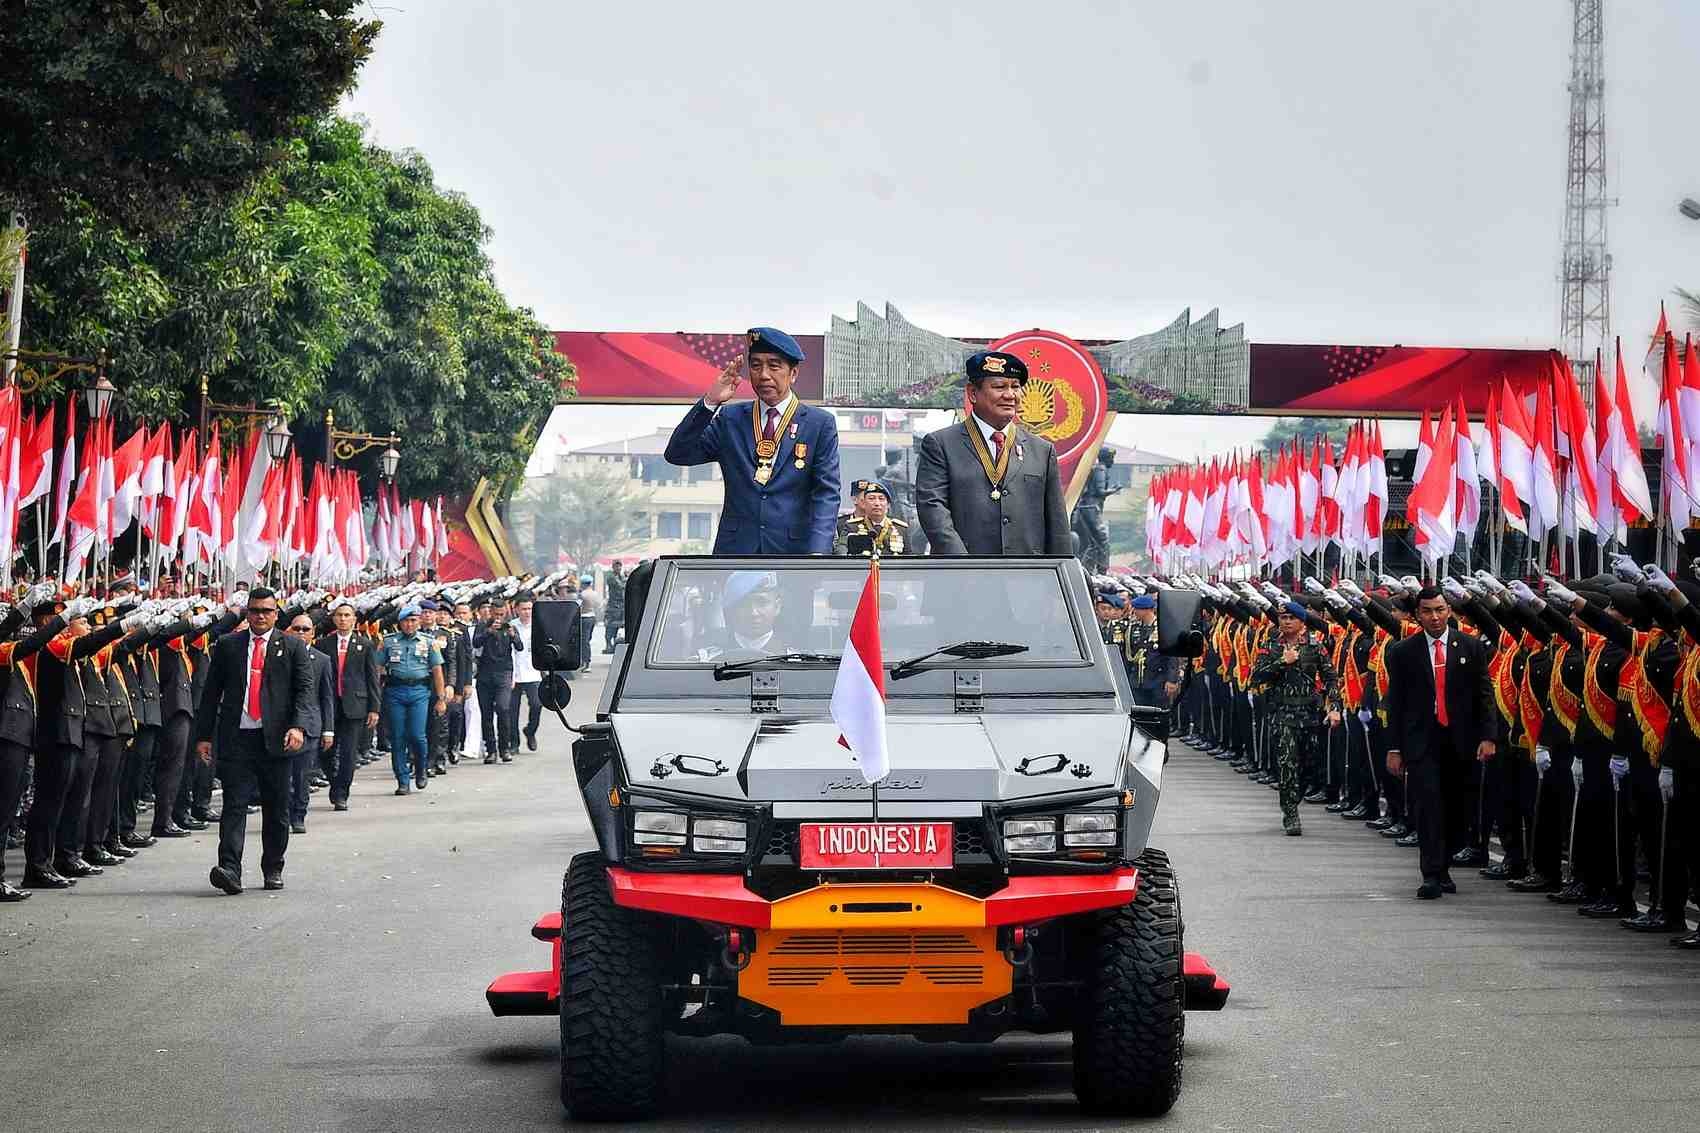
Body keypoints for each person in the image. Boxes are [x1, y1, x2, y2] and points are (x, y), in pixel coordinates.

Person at [663, 326, 841, 553]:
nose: (764, 375)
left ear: (793, 373)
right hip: (736, 552)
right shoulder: (731, 418)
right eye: (756, 366)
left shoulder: (819, 423)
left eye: (774, 366)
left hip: (794, 554)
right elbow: (677, 454)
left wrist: (818, 553)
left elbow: (826, 493)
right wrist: (710, 402)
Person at [193, 588, 316, 895]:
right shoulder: (228, 645)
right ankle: (230, 869)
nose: (260, 616)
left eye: (267, 611)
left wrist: (298, 727)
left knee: (277, 808)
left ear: (276, 614)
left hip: (276, 740)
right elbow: (211, 693)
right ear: (247, 613)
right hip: (238, 738)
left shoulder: (292, 646)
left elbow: (304, 691)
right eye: (255, 610)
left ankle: (273, 867)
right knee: (234, 805)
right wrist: (204, 736)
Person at [1383, 586, 1496, 900]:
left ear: (1449, 611)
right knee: (1428, 806)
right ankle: (1431, 874)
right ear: (1417, 615)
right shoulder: (1403, 651)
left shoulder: (1471, 646)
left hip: (1461, 741)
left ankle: (1444, 864)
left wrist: (1488, 736)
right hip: (1422, 742)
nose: (1434, 617)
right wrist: (1394, 748)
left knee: (1457, 808)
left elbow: (1484, 695)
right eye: (1427, 611)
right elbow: (1396, 703)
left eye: (1440, 610)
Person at [914, 350, 1071, 556]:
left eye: (1015, 387)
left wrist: (1061, 566)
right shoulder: (941, 445)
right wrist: (963, 564)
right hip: (963, 571)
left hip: (1027, 572)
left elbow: (1058, 524)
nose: (1010, 395)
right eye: (999, 387)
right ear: (973, 393)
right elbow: (932, 508)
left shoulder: (1042, 450)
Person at [1250, 601, 1342, 836]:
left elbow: (1331, 678)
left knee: (1310, 765)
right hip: (1282, 714)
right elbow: (1256, 676)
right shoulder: (1270, 645)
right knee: (1287, 764)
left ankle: (1293, 797)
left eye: (1292, 618)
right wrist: (1283, 661)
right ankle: (1291, 813)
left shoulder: (1315, 645)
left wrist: (1335, 707)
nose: (1287, 621)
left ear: (1302, 622)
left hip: (1310, 714)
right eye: (1283, 618)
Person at [378, 603, 448, 794]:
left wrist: (441, 698)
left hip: (419, 692)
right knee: (398, 736)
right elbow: (377, 669)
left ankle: (421, 768)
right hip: (395, 691)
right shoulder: (389, 642)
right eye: (405, 621)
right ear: (399, 623)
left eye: (413, 620)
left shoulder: (429, 642)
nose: (409, 624)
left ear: (418, 621)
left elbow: (437, 671)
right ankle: (402, 780)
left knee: (417, 735)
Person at [317, 601, 380, 810]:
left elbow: (372, 678)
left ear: (354, 619)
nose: (343, 619)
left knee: (348, 753)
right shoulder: (323, 644)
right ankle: (334, 783)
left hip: (355, 706)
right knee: (326, 751)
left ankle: (341, 793)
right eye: (339, 615)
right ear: (334, 619)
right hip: (330, 705)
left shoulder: (365, 644)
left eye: (347, 615)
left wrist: (374, 708)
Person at [284, 613, 336, 835]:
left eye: (305, 629)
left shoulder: (322, 660)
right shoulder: (278, 655)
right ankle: (282, 815)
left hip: (310, 726)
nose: (301, 633)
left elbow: (326, 697)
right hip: (281, 724)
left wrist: (328, 730)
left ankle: (298, 815)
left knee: (301, 775)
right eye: (297, 629)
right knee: (282, 776)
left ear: (313, 633)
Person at [694, 572, 790, 660]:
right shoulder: (706, 659)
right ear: (731, 610)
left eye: (762, 603)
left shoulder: (793, 659)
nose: (753, 613)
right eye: (743, 604)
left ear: (777, 607)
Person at [473, 599, 518, 763]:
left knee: (503, 708)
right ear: (490, 612)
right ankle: (491, 750)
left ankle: (505, 747)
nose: (499, 618)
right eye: (496, 614)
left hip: (503, 673)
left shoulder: (510, 626)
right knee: (486, 714)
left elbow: (520, 647)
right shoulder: (482, 626)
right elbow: (475, 643)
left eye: (501, 614)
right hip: (485, 674)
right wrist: (489, 631)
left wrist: (513, 636)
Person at [1123, 594, 1181, 709]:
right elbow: (1129, 655)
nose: (1134, 612)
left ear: (1146, 610)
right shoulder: (1134, 628)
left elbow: (1172, 656)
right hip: (1138, 681)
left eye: (1137, 609)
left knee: (1158, 712)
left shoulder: (1163, 627)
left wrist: (1172, 679)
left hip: (1158, 680)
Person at [834, 481, 913, 557]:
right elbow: (841, 552)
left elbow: (909, 557)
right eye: (871, 499)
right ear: (864, 504)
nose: (877, 503)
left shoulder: (900, 528)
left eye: (881, 499)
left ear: (888, 505)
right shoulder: (852, 527)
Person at [510, 597, 543, 751]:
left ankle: (530, 731)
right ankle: (513, 743)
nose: (527, 612)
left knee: (537, 704)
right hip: (514, 673)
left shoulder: (538, 626)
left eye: (530, 609)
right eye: (524, 609)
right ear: (516, 609)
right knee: (512, 710)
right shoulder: (511, 626)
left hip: (533, 672)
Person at [603, 561, 626, 654]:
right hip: (613, 606)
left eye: (620, 566)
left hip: (621, 605)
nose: (619, 568)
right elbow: (620, 586)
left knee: (617, 627)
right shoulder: (611, 577)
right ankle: (608, 645)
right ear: (613, 567)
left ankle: (614, 645)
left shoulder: (621, 576)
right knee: (610, 627)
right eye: (617, 566)